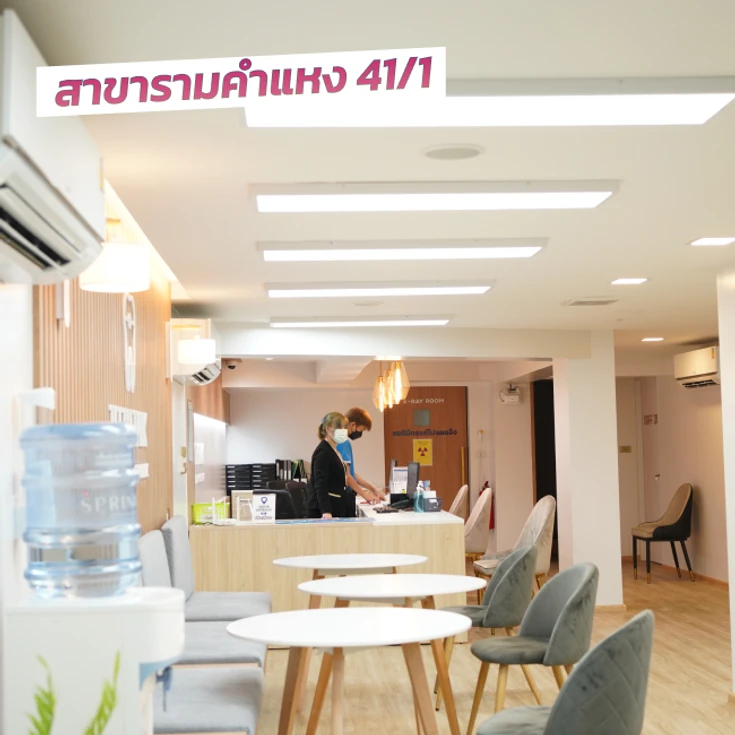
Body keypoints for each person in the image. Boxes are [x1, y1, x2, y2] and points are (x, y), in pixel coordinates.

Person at [336, 407, 386, 510]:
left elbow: (352, 474)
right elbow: (347, 477)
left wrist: (373, 489)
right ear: (352, 425)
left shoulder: (338, 439)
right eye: (361, 430)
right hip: (342, 499)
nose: (360, 433)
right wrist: (365, 495)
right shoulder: (343, 442)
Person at [306, 412, 353, 519]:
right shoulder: (323, 452)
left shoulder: (333, 450)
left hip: (336, 505)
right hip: (324, 510)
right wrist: (326, 511)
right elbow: (320, 483)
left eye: (344, 427)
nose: (343, 431)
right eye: (339, 427)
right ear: (328, 429)